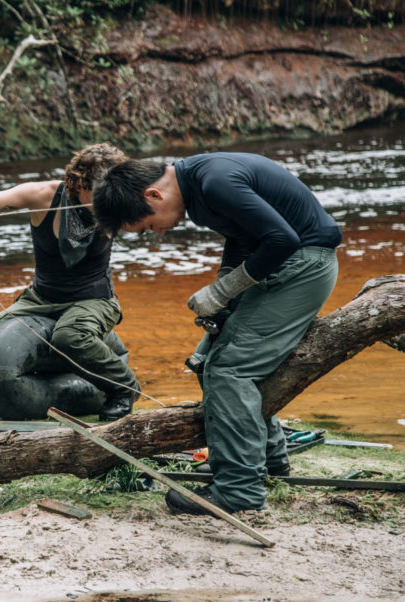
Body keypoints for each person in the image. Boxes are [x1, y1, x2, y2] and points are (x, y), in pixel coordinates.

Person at [92, 153, 341, 515]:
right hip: (286, 264)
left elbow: (281, 240)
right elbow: (243, 238)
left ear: (152, 196)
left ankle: (239, 489)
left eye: (148, 227)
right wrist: (224, 290)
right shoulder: (200, 185)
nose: (157, 233)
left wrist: (222, 292)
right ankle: (262, 462)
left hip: (304, 264)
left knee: (229, 370)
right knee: (206, 360)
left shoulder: (214, 181)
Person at [0, 143, 140, 422]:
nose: (105, 199)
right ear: (77, 182)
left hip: (94, 299)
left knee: (70, 337)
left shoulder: (117, 201)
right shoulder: (42, 196)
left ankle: (124, 389)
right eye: (98, 192)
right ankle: (59, 377)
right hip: (40, 299)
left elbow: (160, 207)